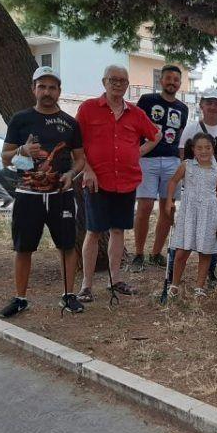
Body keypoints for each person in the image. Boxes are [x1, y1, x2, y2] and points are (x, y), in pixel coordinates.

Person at [0, 66, 85, 317]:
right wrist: (22, 151)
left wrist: (71, 174)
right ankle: (20, 299)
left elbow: (80, 159)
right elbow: (4, 158)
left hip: (61, 196)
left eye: (52, 87)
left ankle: (69, 296)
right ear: (33, 89)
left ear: (59, 91)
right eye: (42, 86)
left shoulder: (70, 123)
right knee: (23, 248)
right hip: (27, 196)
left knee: (67, 246)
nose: (47, 92)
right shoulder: (20, 119)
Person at [76, 65, 161, 303]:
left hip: (126, 180)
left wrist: (136, 152)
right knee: (93, 232)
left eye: (123, 81)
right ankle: (86, 286)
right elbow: (76, 145)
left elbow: (156, 136)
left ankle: (115, 280)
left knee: (118, 231)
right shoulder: (88, 108)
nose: (118, 84)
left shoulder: (135, 113)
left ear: (127, 85)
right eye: (113, 79)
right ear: (104, 81)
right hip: (96, 181)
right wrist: (87, 170)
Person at [178, 88, 217, 286]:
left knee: (214, 230)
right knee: (188, 230)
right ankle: (175, 278)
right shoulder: (191, 128)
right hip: (196, 189)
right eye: (209, 102)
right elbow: (183, 156)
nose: (213, 107)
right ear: (202, 105)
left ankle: (210, 272)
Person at [130, 64, 189, 272]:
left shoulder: (183, 108)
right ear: (161, 80)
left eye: (176, 79)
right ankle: (138, 253)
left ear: (180, 83)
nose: (172, 82)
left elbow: (180, 135)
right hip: (148, 159)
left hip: (172, 161)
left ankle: (156, 253)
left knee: (168, 209)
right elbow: (135, 127)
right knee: (144, 208)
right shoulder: (147, 101)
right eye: (168, 78)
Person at [164, 133, 217, 298]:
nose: (203, 151)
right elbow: (172, 182)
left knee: (205, 252)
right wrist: (169, 201)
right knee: (181, 252)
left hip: (209, 214)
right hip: (189, 213)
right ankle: (175, 284)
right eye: (199, 147)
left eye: (207, 147)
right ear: (193, 149)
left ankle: (199, 286)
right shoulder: (187, 165)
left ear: (213, 149)